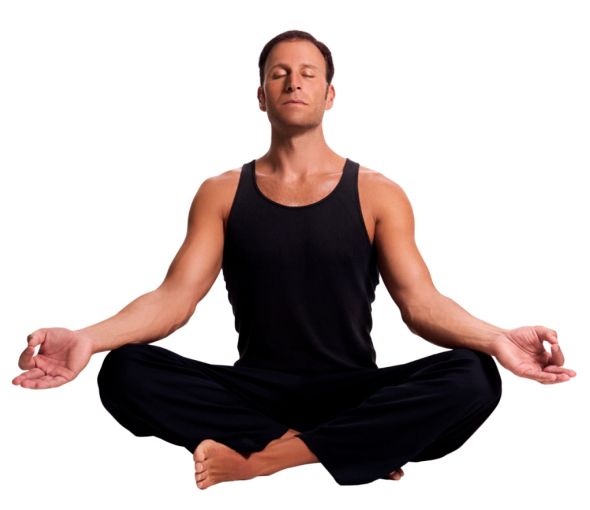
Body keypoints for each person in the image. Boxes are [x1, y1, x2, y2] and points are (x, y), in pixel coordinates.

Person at [12, 29, 576, 489]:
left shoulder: (378, 193)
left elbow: (421, 302)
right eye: (279, 73)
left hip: (353, 389)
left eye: (309, 73)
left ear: (330, 94)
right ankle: (349, 446)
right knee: (125, 371)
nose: (294, 82)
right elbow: (174, 299)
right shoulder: (222, 192)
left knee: (475, 376)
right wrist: (88, 337)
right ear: (261, 94)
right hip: (254, 390)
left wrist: (497, 338)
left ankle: (269, 458)